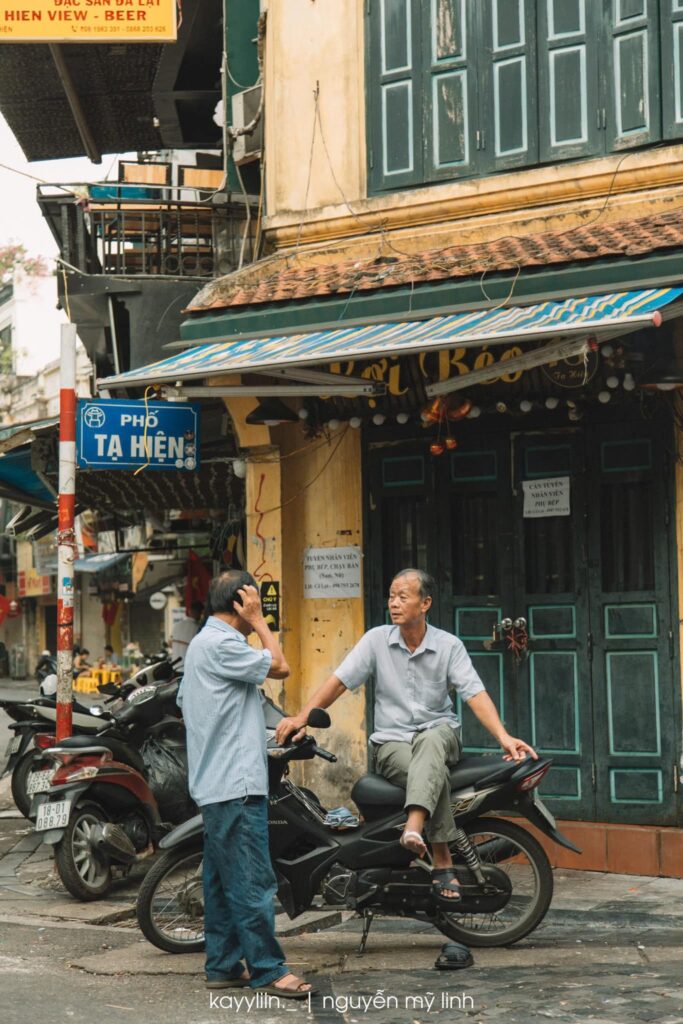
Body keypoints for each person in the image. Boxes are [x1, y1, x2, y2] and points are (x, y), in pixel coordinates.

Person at [275, 568, 537, 907]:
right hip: (392, 745)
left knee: (430, 738)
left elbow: (474, 693)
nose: (394, 603)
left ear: (425, 602)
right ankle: (439, 855)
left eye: (403, 596)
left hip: (441, 737)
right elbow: (339, 681)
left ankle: (421, 834)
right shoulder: (376, 640)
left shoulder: (448, 646)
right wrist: (302, 717)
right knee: (432, 772)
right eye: (391, 596)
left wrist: (503, 736)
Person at [177, 570, 315, 999]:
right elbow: (281, 667)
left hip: (215, 782)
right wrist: (259, 621)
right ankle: (269, 969)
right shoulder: (223, 643)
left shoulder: (201, 646)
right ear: (241, 601)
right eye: (253, 599)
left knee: (221, 882)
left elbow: (211, 705)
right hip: (235, 783)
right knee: (253, 882)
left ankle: (221, 964)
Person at [170, 600, 204, 669]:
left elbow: (170, 643)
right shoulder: (198, 628)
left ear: (189, 611)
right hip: (189, 668)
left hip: (175, 667)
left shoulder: (177, 625)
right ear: (200, 613)